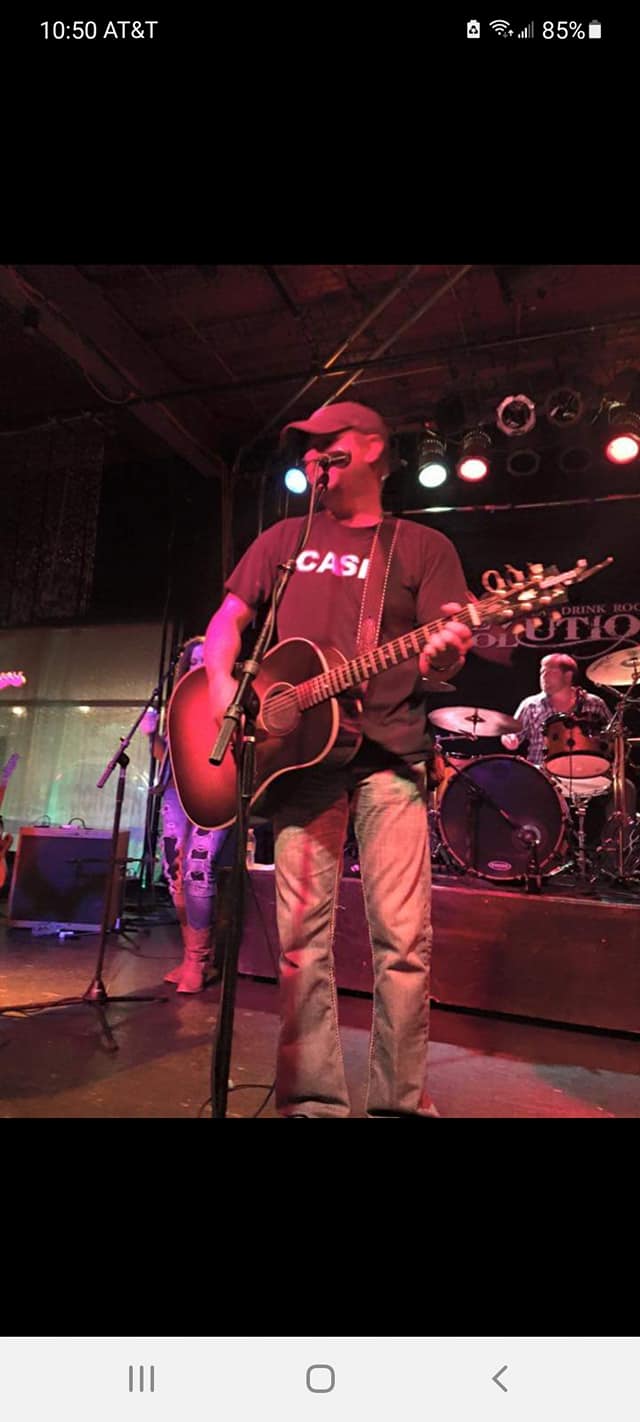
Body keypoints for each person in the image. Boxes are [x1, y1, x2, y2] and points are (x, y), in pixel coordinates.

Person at [203, 400, 474, 1117]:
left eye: (328, 441)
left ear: (375, 448)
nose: (312, 454)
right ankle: (312, 1104)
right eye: (305, 446)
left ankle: (398, 1104)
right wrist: (226, 688)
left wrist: (447, 650)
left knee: (403, 945)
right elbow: (228, 621)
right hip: (297, 763)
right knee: (299, 945)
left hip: (391, 758)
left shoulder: (420, 545)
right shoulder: (283, 539)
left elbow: (444, 648)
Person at [142, 637, 230, 993]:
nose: (198, 667)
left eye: (205, 660)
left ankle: (198, 961)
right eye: (193, 662)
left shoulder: (227, 699)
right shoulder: (178, 705)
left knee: (197, 868)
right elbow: (165, 755)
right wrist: (152, 736)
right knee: (174, 872)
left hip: (213, 794)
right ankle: (192, 957)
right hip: (175, 791)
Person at [500, 653, 610, 766]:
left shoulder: (594, 703)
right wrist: (509, 739)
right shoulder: (530, 705)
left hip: (586, 770)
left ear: (568, 676)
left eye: (550, 672)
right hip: (540, 772)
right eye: (542, 672)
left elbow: (613, 738)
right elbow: (511, 735)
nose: (544, 676)